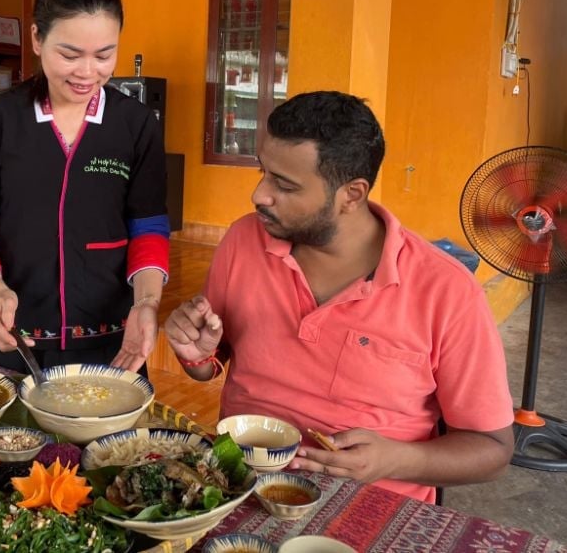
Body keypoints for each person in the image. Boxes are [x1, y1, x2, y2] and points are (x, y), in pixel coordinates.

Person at [164, 91, 514, 503]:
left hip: (372, 502)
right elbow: (209, 364)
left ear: (351, 194)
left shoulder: (446, 291)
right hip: (240, 486)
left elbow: (493, 449)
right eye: (263, 173)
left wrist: (395, 460)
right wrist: (195, 354)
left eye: (284, 184)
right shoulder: (243, 241)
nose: (259, 195)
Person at [0, 0, 169, 375]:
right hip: (15, 337)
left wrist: (146, 304)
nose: (87, 72)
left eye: (104, 55)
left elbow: (149, 230)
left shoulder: (135, 125)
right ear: (36, 39)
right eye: (70, 55)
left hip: (113, 342)